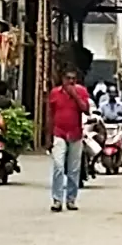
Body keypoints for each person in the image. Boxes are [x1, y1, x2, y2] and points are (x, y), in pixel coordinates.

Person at [45, 66, 90, 212]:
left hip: (75, 134)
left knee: (74, 169)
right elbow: (50, 115)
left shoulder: (81, 91)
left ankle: (71, 199)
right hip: (59, 133)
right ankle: (57, 200)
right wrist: (48, 137)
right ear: (62, 79)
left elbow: (86, 110)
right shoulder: (55, 93)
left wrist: (75, 96)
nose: (70, 81)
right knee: (58, 166)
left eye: (73, 79)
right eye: (68, 78)